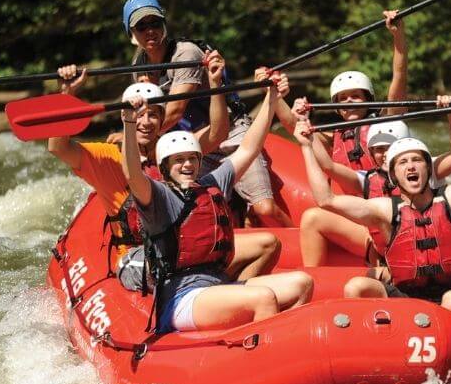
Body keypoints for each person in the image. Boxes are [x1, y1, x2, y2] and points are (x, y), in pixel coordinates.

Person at [46, 58, 278, 290]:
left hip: (184, 244)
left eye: (154, 115)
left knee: (268, 244)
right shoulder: (105, 157)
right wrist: (68, 92)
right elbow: (58, 147)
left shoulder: (174, 152)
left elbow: (217, 133)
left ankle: (229, 296)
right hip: (140, 253)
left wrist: (215, 83)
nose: (146, 122)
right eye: (139, 114)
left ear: (163, 120)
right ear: (126, 117)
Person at [121, 77, 313, 334]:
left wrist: (271, 97)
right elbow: (133, 174)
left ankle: (279, 343)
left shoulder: (212, 183)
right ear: (165, 166)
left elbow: (248, 149)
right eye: (179, 160)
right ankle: (267, 354)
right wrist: (129, 122)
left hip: (218, 284)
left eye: (192, 159)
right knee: (264, 297)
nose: (187, 165)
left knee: (302, 283)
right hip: (181, 297)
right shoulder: (158, 197)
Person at [295, 97, 451, 318]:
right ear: (393, 175)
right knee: (357, 287)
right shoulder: (386, 210)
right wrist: (306, 146)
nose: (410, 166)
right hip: (407, 297)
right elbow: (326, 200)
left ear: (428, 168)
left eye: (416, 160)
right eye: (402, 162)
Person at [122, 0, 292, 226]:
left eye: (154, 23)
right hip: (193, 143)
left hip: (231, 133)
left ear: (164, 24)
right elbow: (149, 115)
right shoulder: (138, 67)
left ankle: (299, 242)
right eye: (141, 26)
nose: (149, 30)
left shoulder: (186, 53)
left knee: (265, 209)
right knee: (192, 212)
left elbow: (174, 111)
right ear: (131, 34)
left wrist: (136, 135)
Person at [295, 98, 451, 266]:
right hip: (390, 247)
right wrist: (306, 135)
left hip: (432, 247)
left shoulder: (425, 168)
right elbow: (328, 166)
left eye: (390, 147)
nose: (385, 154)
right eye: (379, 149)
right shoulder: (367, 178)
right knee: (314, 217)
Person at [307, 11, 408, 172]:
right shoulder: (331, 137)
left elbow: (399, 75)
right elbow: (295, 127)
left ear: (368, 99)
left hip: (387, 194)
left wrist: (398, 35)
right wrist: (272, 90)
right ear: (337, 107)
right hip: (353, 194)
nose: (349, 101)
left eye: (356, 96)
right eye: (343, 98)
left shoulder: (389, 122)